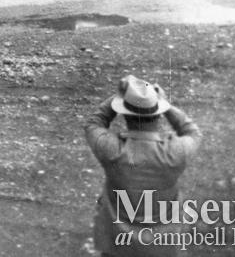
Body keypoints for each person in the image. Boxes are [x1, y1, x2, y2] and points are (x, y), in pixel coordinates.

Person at [84, 74, 201, 256]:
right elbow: (192, 132)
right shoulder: (175, 152)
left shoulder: (112, 150)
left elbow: (94, 123)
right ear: (158, 114)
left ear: (124, 114)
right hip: (164, 245)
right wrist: (165, 104)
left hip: (117, 244)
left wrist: (121, 95)